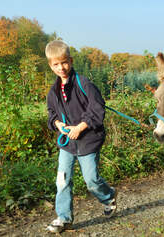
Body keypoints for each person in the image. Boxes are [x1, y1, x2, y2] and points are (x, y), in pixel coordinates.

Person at [44, 40, 117, 233]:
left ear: (71, 60)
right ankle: (64, 218)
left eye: (64, 62)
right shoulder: (53, 91)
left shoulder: (84, 84)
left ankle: (108, 196)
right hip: (68, 144)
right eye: (56, 64)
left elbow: (97, 108)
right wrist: (57, 124)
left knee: (91, 180)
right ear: (50, 65)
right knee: (62, 180)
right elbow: (51, 113)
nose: (61, 68)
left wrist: (81, 127)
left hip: (88, 140)